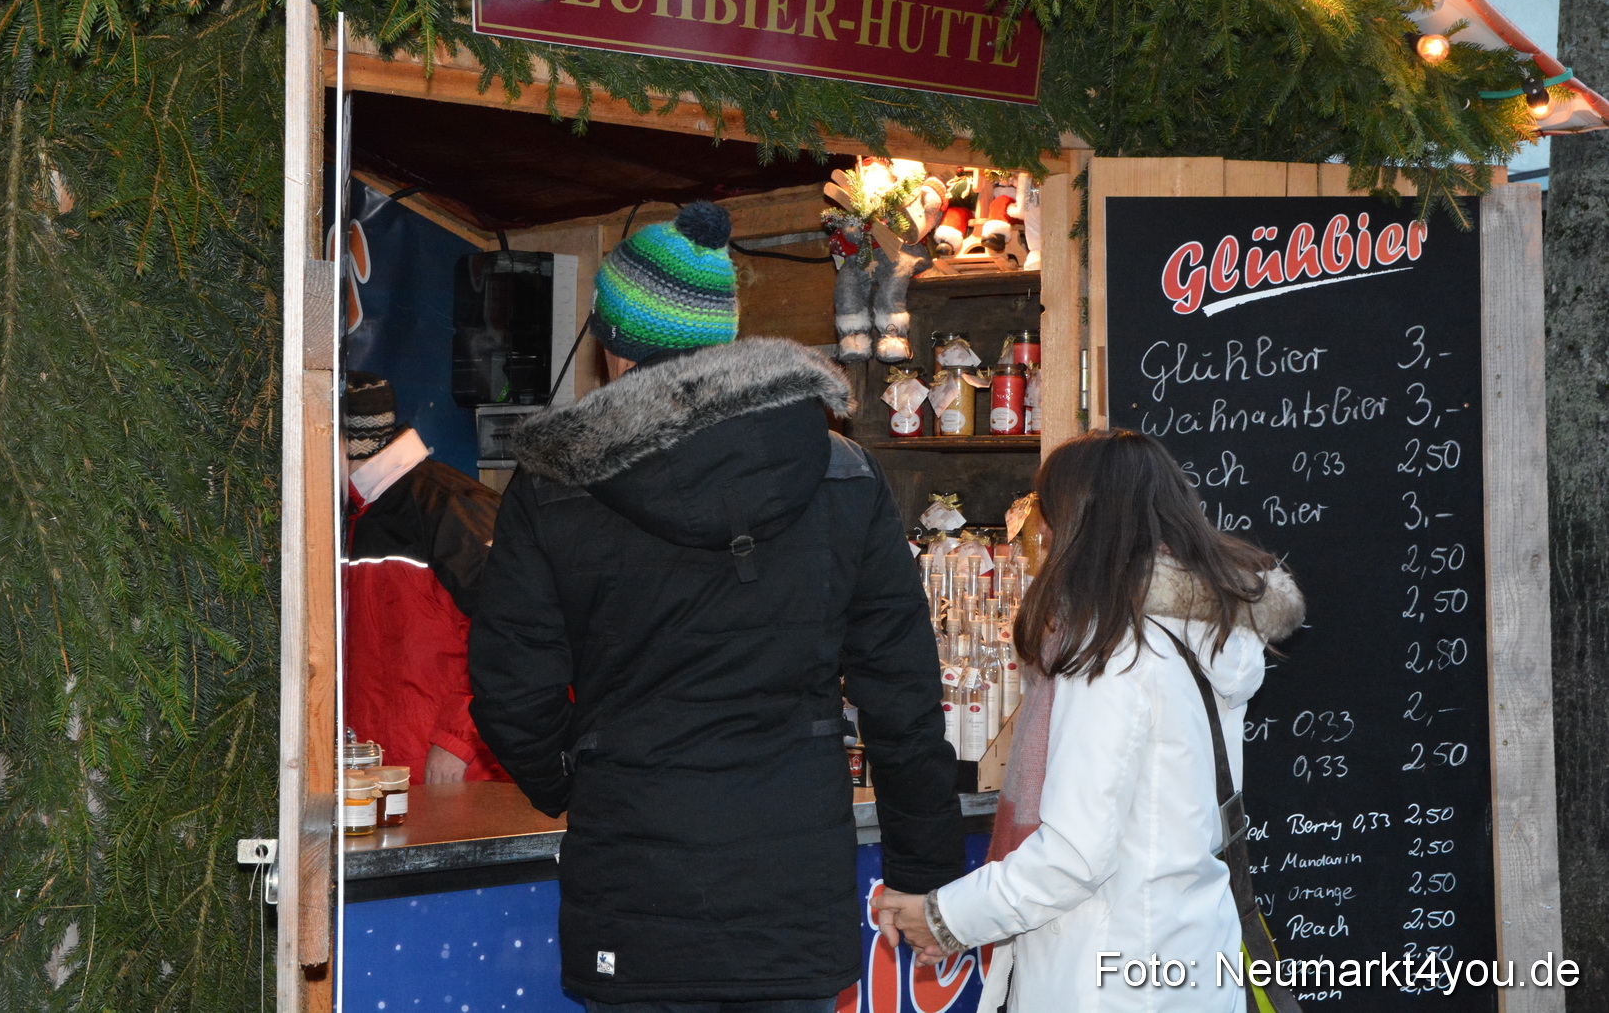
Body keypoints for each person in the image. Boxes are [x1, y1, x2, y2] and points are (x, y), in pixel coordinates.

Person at [468, 201, 965, 1012]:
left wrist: (579, 776)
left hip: (635, 896)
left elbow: (510, 692)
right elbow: (903, 694)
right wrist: (925, 868)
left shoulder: (555, 488)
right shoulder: (840, 474)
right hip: (791, 902)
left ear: (614, 347)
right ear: (724, 340)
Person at [872, 428, 1304, 1012]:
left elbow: (1074, 856)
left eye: (1045, 513)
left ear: (1078, 522)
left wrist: (945, 916)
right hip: (1188, 955)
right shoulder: (1203, 632)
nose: (1040, 532)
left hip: (1110, 973)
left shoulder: (1116, 651)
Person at [343, 371, 508, 785]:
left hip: (448, 782)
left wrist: (459, 740)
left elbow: (524, 632)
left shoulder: (452, 507)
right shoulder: (348, 515)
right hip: (376, 779)